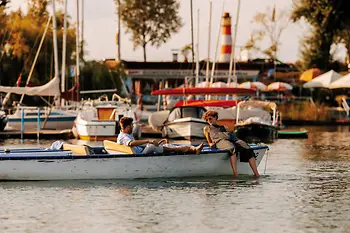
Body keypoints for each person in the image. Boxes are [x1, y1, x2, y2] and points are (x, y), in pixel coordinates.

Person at [203, 110, 260, 177]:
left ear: (215, 117)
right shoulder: (207, 128)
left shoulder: (225, 127)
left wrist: (237, 141)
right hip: (220, 141)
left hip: (231, 139)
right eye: (207, 120)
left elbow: (231, 136)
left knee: (247, 148)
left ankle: (256, 174)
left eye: (210, 118)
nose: (209, 121)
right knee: (232, 148)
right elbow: (209, 141)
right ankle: (235, 174)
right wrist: (210, 144)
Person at [117, 116, 204, 154]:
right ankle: (188, 150)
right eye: (132, 125)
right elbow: (131, 143)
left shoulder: (126, 134)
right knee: (152, 146)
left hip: (139, 152)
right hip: (138, 155)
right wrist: (148, 140)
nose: (133, 127)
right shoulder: (123, 137)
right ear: (128, 127)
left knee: (162, 145)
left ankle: (189, 149)